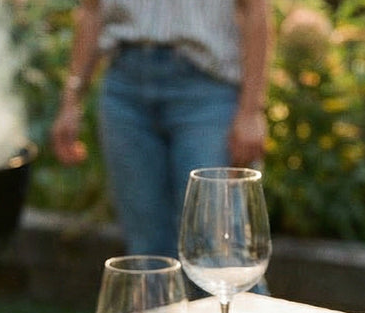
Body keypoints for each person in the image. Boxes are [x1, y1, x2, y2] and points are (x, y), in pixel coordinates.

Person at [51, 0, 272, 295]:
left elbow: (256, 8)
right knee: (147, 252)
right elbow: (92, 10)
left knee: (219, 247)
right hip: (124, 89)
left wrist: (251, 111)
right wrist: (71, 102)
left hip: (207, 87)